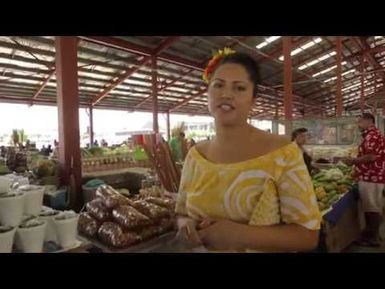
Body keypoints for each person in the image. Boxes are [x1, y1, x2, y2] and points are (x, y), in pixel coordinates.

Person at [175, 49, 320, 252]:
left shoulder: (283, 153)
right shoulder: (195, 156)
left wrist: (240, 235)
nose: (226, 94)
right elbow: (181, 213)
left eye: (239, 88)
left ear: (253, 99)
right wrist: (186, 227)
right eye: (218, 85)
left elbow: (308, 235)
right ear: (208, 93)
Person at [343, 113, 385, 247]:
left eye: (360, 122)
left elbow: (371, 156)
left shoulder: (372, 135)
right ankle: (371, 234)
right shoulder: (371, 135)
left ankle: (372, 238)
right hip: (371, 175)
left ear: (369, 121)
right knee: (371, 206)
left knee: (372, 207)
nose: (358, 125)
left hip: (372, 176)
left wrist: (353, 161)